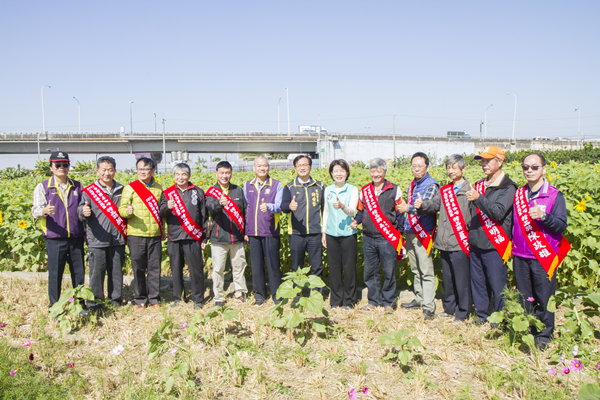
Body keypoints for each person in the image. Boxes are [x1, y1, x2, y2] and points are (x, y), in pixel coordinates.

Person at [512, 153, 569, 349]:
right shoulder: (519, 194)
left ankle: (544, 335)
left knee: (544, 296)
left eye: (534, 167)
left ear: (544, 169)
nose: (529, 170)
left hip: (542, 255)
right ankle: (527, 330)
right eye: (526, 167)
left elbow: (562, 225)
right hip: (520, 254)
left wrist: (545, 217)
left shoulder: (554, 195)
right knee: (525, 296)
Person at [414, 154, 472, 323]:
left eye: (454, 167)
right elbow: (434, 205)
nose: (450, 171)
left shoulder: (469, 190)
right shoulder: (445, 190)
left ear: (463, 169)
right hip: (444, 241)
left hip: (460, 241)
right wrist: (423, 205)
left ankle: (462, 312)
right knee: (448, 278)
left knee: (461, 280)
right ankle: (449, 308)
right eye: (448, 167)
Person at [465, 146, 517, 324]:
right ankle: (481, 315)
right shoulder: (480, 184)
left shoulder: (507, 187)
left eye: (488, 160)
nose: (484, 164)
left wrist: (478, 198)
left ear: (499, 162)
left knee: (497, 284)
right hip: (476, 241)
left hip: (495, 244)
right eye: (482, 161)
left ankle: (499, 319)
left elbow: (498, 212)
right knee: (478, 282)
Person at [31, 151, 86, 309]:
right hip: (55, 238)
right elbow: (35, 211)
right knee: (55, 274)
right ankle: (54, 306)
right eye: (58, 165)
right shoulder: (43, 187)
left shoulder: (78, 186)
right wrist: (44, 211)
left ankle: (79, 304)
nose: (61, 167)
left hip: (75, 236)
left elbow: (83, 208)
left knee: (79, 273)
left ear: (69, 167)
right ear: (51, 167)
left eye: (65, 164)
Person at [352, 158, 404, 314]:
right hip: (368, 237)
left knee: (389, 270)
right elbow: (361, 212)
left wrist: (400, 235)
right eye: (372, 170)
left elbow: (400, 214)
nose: (375, 174)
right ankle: (373, 300)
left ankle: (389, 302)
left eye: (378, 170)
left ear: (384, 171)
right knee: (370, 270)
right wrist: (357, 221)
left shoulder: (394, 189)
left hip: (387, 238)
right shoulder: (365, 190)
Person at [78, 156, 127, 311]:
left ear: (115, 171)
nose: (107, 173)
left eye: (110, 169)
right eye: (104, 170)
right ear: (98, 171)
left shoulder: (122, 190)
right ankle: (95, 303)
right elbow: (80, 210)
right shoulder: (89, 192)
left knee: (116, 272)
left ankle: (116, 300)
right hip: (97, 239)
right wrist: (83, 212)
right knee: (96, 273)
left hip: (117, 238)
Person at [397, 152, 439, 320]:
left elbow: (426, 208)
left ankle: (429, 306)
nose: (416, 169)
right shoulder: (412, 184)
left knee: (426, 270)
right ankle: (420, 298)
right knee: (415, 268)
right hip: (410, 231)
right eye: (414, 166)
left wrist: (408, 208)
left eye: (420, 166)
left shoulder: (431, 185)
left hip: (423, 233)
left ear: (427, 167)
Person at [160, 163, 208, 309]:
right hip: (174, 236)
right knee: (175, 268)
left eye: (184, 174)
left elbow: (204, 217)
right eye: (178, 175)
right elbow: (161, 213)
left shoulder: (198, 192)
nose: (180, 177)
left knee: (196, 269)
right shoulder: (167, 193)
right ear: (174, 176)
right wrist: (167, 208)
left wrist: (204, 237)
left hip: (193, 236)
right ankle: (178, 297)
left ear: (189, 176)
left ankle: (198, 299)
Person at [118, 157, 164, 309]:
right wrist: (127, 211)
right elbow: (122, 209)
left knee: (154, 267)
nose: (142, 172)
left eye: (146, 169)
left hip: (155, 234)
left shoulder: (158, 188)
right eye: (140, 169)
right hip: (136, 234)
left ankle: (154, 298)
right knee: (138, 267)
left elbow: (162, 212)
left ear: (152, 170)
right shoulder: (130, 188)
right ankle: (140, 299)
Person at [281, 155, 325, 295]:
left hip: (315, 232)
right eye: (299, 165)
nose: (302, 167)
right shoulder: (289, 187)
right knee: (297, 267)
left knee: (317, 266)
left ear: (310, 167)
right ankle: (296, 295)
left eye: (305, 164)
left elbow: (325, 210)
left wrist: (324, 231)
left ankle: (316, 294)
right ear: (295, 168)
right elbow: (283, 206)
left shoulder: (319, 186)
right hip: (296, 233)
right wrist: (289, 206)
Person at [205, 161, 248, 306]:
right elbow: (210, 207)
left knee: (239, 266)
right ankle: (219, 296)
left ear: (231, 173)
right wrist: (219, 203)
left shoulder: (237, 190)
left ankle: (239, 292)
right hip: (219, 237)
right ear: (216, 173)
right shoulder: (211, 192)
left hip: (237, 236)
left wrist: (246, 232)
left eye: (227, 173)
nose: (225, 176)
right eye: (222, 173)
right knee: (218, 269)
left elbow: (244, 211)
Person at [243, 156, 283, 306]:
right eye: (259, 166)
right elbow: (246, 208)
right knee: (256, 265)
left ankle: (277, 295)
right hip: (253, 232)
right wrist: (246, 231)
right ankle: (259, 296)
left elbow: (280, 206)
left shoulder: (276, 185)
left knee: (273, 265)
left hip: (270, 231)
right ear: (254, 168)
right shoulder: (247, 185)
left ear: (268, 168)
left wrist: (270, 207)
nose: (262, 168)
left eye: (265, 166)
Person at [322, 159, 359, 310]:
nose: (338, 173)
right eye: (335, 170)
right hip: (331, 234)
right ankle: (336, 300)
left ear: (347, 173)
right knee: (334, 267)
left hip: (348, 234)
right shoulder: (328, 190)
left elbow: (353, 211)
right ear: (331, 173)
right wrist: (323, 232)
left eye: (342, 170)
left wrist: (343, 206)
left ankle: (349, 300)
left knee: (349, 267)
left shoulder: (352, 189)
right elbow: (326, 211)